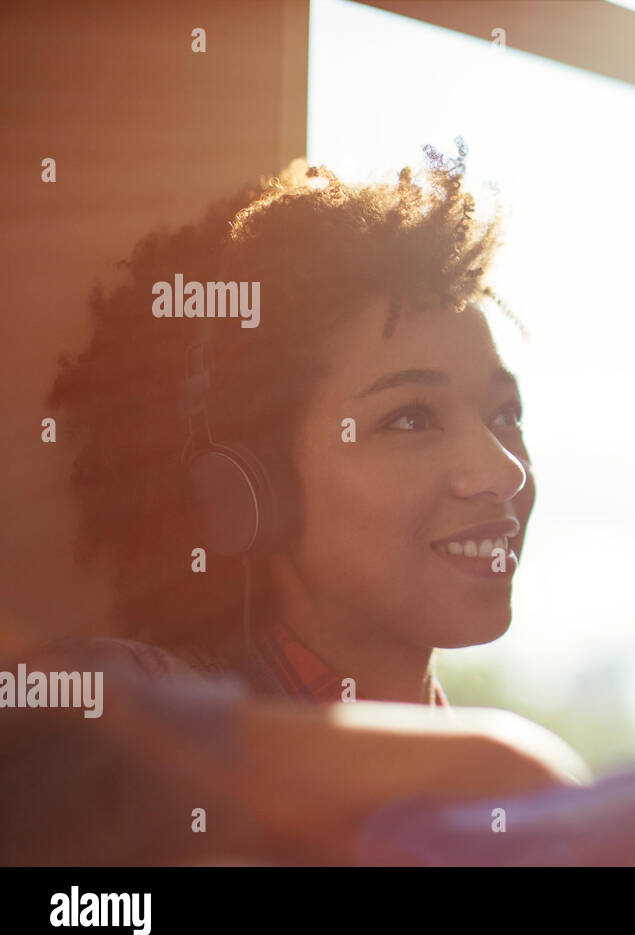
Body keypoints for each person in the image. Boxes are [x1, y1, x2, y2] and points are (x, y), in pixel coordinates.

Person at [45, 141, 536, 708]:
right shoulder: (125, 718)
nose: (504, 472)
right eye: (411, 419)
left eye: (504, 414)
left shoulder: (492, 777)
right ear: (248, 484)